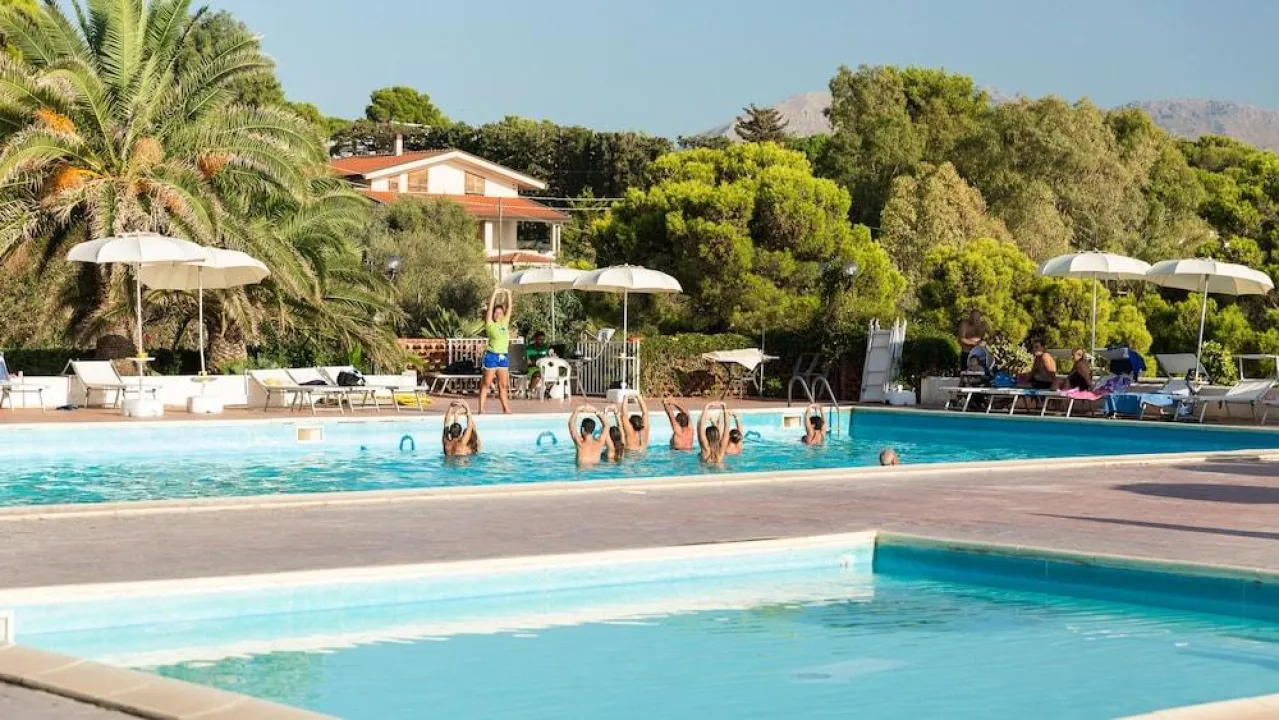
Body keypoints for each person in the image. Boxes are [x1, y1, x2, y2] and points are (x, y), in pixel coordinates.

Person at [478, 289, 514, 414]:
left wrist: (508, 294)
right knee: (486, 383)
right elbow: (489, 309)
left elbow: (509, 309)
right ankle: (481, 408)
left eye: (500, 313)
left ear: (503, 315)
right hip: (491, 356)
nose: (497, 314)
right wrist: (494, 294)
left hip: (503, 357)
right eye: (496, 312)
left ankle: (506, 408)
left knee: (503, 385)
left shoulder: (504, 323)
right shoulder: (490, 324)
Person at [525, 331, 552, 398]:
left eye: (543, 340)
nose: (542, 341)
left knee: (554, 373)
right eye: (540, 339)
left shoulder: (546, 347)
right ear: (535, 339)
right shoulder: (529, 348)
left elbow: (549, 358)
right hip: (533, 368)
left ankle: (547, 391)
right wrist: (536, 362)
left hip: (544, 368)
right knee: (537, 375)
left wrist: (551, 356)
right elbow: (527, 361)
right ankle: (530, 390)